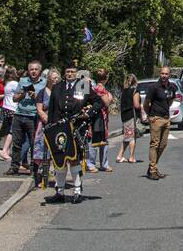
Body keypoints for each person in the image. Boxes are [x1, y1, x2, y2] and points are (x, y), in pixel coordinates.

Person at [44, 64, 100, 203]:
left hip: (76, 128)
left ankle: (77, 191)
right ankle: (60, 192)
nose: (70, 74)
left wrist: (89, 113)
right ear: (64, 73)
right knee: (59, 160)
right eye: (67, 71)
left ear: (76, 73)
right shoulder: (57, 87)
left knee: (74, 160)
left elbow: (98, 102)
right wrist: (49, 127)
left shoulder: (83, 85)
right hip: (59, 130)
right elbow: (52, 109)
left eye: (72, 72)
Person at [9, 60, 46, 174]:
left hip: (33, 116)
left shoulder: (44, 83)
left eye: (36, 69)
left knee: (33, 143)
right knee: (16, 142)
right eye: (31, 69)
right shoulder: (22, 81)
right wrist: (23, 94)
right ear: (28, 71)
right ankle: (14, 166)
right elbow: (14, 98)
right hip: (19, 114)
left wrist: (36, 96)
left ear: (40, 71)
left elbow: (46, 102)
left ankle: (33, 167)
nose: (33, 71)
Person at [142, 66, 174, 180]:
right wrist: (150, 115)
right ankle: (152, 169)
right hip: (155, 118)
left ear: (169, 75)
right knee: (154, 144)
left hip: (166, 118)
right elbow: (146, 103)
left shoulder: (172, 87)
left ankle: (152, 166)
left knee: (163, 144)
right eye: (162, 73)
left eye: (166, 74)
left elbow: (170, 101)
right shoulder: (153, 87)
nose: (164, 76)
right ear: (159, 74)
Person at [87, 67, 115, 172]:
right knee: (98, 139)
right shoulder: (100, 89)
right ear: (106, 78)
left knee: (97, 139)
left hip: (96, 116)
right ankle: (96, 164)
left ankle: (95, 163)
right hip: (99, 116)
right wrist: (109, 97)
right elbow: (107, 102)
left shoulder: (92, 87)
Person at [0, 66, 19, 160]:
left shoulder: (6, 83)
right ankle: (5, 150)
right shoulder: (15, 83)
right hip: (13, 108)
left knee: (8, 129)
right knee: (12, 130)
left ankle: (6, 150)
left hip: (6, 107)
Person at [117, 74, 139, 162]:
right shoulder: (135, 91)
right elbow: (136, 105)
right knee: (132, 137)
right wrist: (142, 107)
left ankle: (119, 155)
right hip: (131, 115)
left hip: (124, 115)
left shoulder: (124, 91)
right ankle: (131, 157)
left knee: (127, 136)